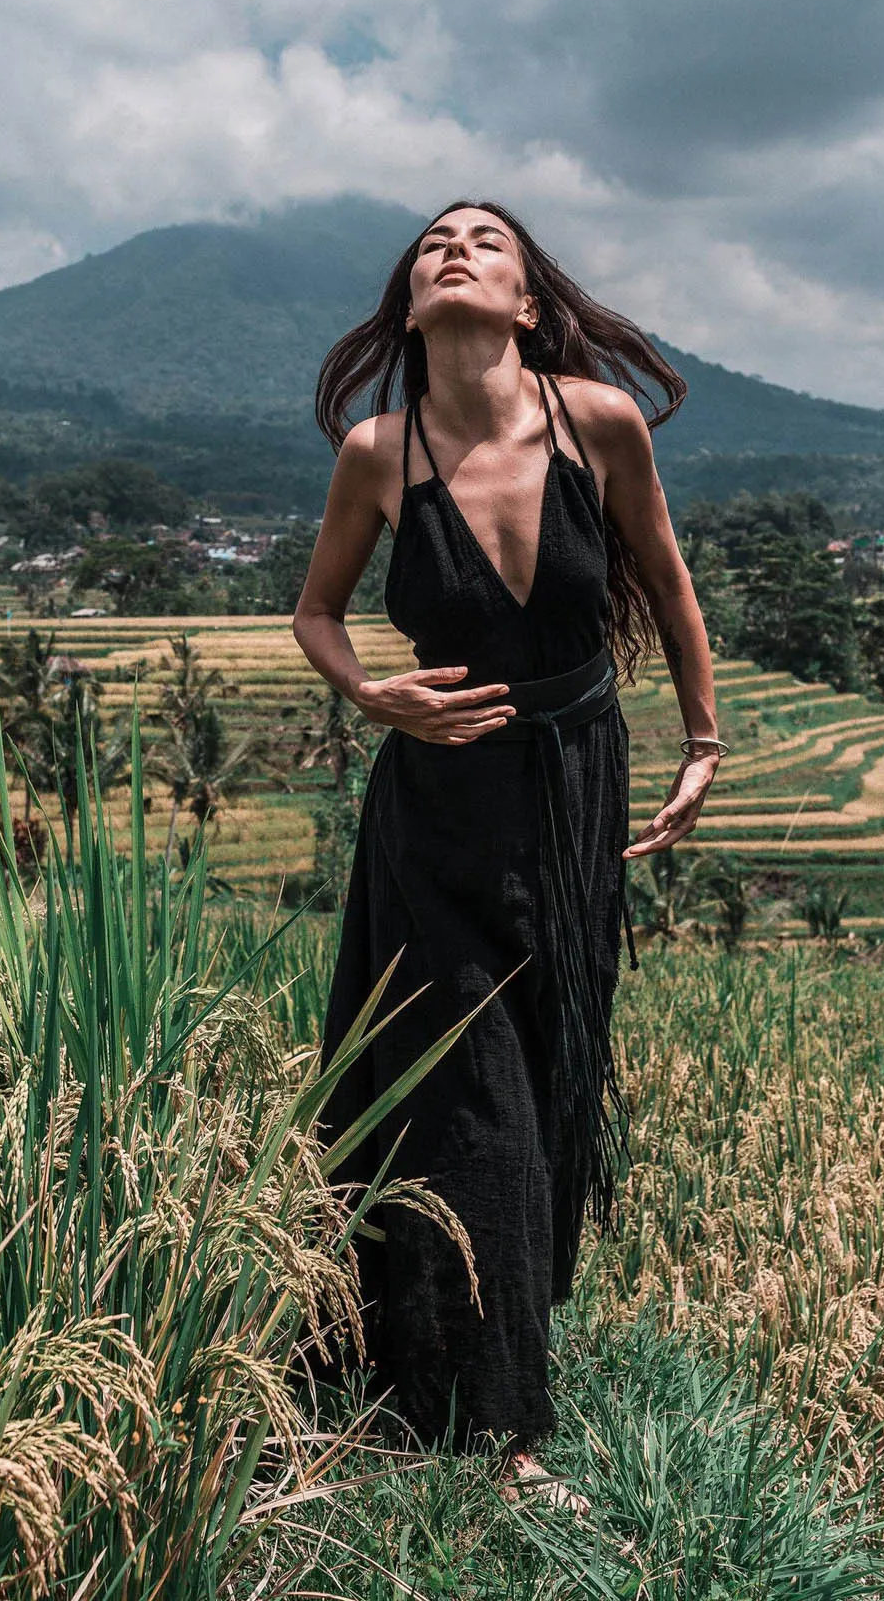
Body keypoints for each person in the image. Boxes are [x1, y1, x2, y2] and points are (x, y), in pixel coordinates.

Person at [291, 200, 721, 1500]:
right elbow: (316, 612)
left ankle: (438, 1356)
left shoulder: (599, 426)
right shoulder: (380, 452)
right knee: (463, 1095)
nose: (454, 247)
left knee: (544, 1076)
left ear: (528, 302)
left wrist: (704, 739)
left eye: (485, 239)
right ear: (411, 304)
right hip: (436, 815)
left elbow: (669, 574)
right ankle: (500, 1436)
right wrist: (374, 695)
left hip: (575, 787)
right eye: (432, 244)